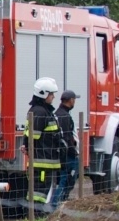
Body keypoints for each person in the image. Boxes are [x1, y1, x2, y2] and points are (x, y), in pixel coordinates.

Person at [25, 77, 63, 214]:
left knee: (41, 191)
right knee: (38, 192)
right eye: (51, 94)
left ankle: (36, 213)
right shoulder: (40, 112)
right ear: (43, 94)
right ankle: (35, 214)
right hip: (42, 162)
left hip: (45, 161)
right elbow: (32, 136)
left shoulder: (43, 111)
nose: (53, 97)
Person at [51, 89, 81, 208]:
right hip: (68, 154)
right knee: (67, 178)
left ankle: (59, 202)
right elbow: (67, 137)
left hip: (63, 152)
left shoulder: (58, 113)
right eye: (74, 100)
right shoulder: (64, 116)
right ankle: (56, 204)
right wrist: (73, 151)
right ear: (71, 100)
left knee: (66, 178)